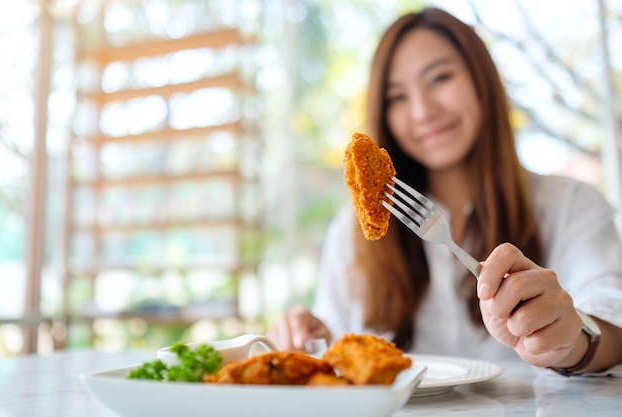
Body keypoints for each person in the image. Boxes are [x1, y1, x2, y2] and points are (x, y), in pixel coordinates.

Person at [267, 7, 622, 375]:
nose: (422, 111)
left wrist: (569, 341)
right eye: (397, 97)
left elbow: (613, 324)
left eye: (439, 78)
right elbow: (336, 342)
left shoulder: (571, 206)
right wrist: (310, 336)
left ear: (482, 80)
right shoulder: (352, 229)